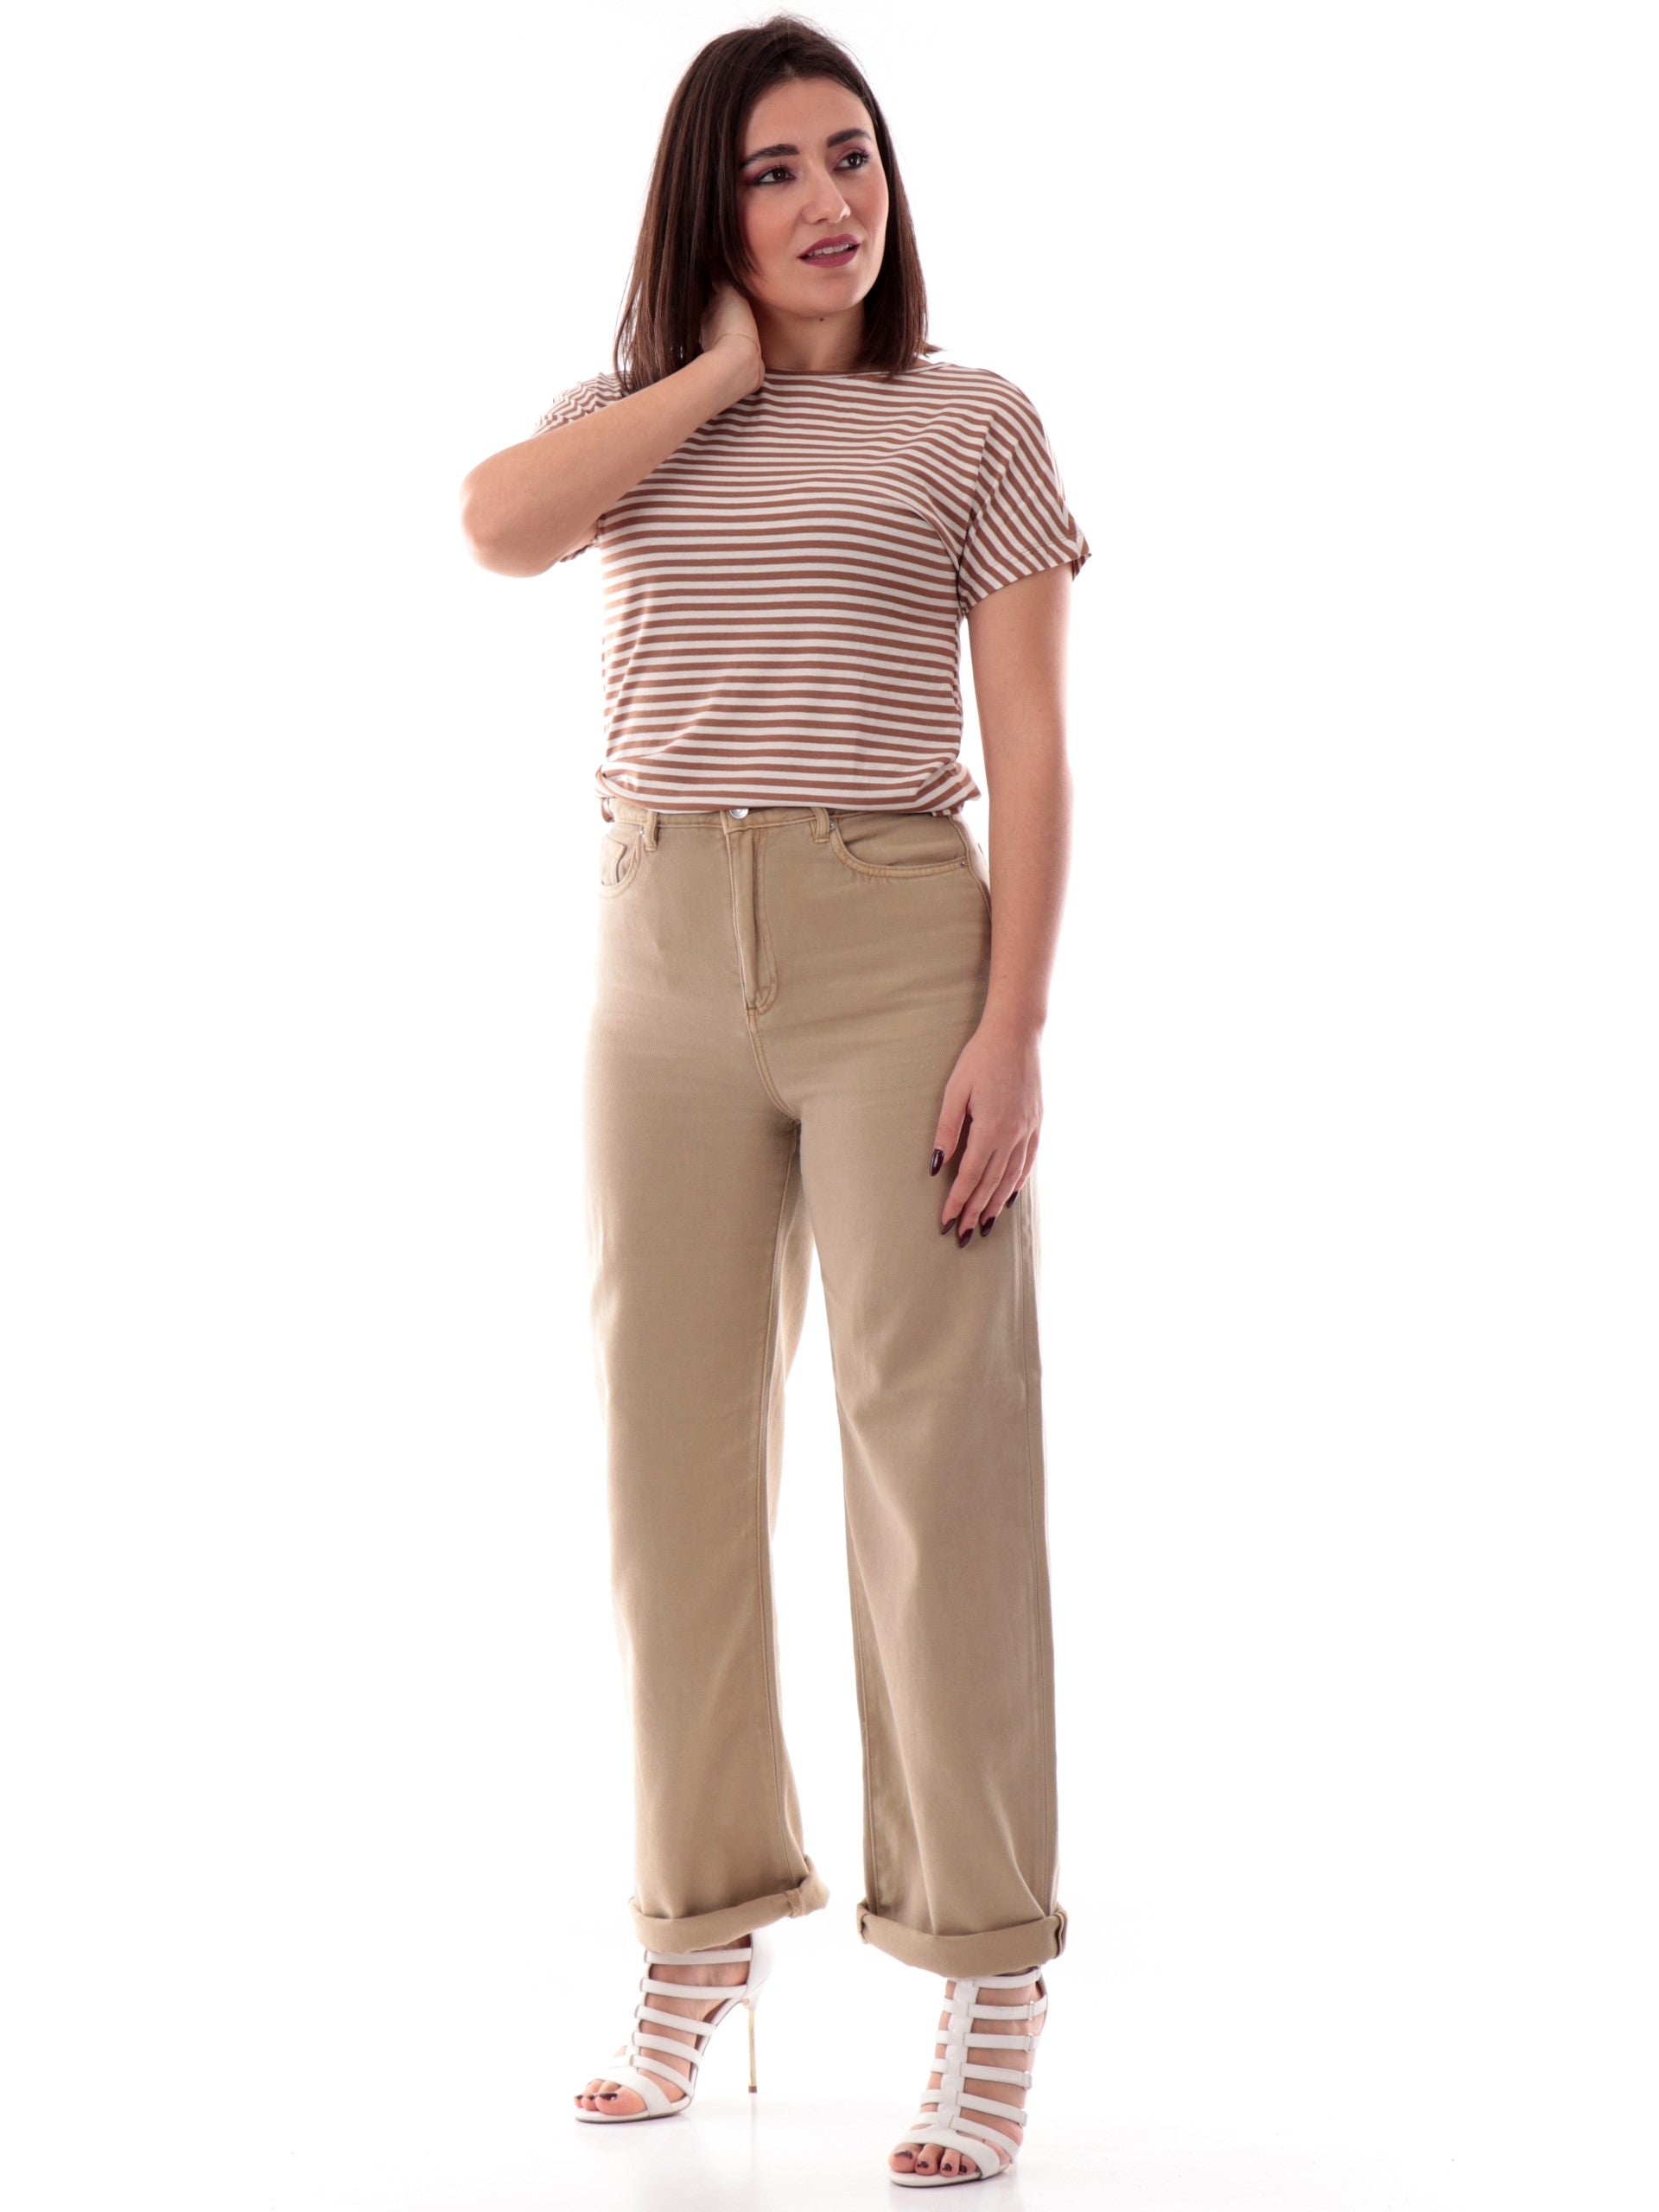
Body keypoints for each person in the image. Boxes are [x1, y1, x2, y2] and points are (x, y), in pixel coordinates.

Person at [459, 14, 1088, 2187]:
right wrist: (716, 373)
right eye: (776, 171)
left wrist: (1012, 1026)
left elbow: (1036, 743)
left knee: (939, 1465)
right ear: (705, 211)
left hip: (895, 943)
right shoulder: (627, 420)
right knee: (671, 1468)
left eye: (856, 158)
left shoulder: (973, 422)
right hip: (655, 958)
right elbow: (495, 528)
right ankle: (699, 1928)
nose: (833, 202)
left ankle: (985, 1963)